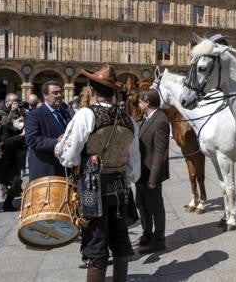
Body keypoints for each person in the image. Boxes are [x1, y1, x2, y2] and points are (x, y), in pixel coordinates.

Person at [55, 64, 140, 282]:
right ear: (113, 93)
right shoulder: (129, 120)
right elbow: (134, 163)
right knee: (120, 239)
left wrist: (66, 153)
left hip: (91, 188)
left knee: (95, 242)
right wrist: (125, 178)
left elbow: (69, 155)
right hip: (120, 187)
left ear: (91, 90)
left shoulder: (85, 115)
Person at [135, 89, 170, 253]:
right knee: (142, 205)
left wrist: (153, 178)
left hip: (151, 174)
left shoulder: (160, 120)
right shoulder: (148, 118)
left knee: (155, 207)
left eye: (140, 101)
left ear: (147, 103)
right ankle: (147, 234)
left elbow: (160, 152)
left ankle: (159, 239)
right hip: (142, 172)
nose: (138, 104)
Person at [25, 80, 70, 181]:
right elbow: (32, 140)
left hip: (64, 169)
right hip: (46, 171)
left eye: (60, 92)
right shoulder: (35, 115)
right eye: (55, 93)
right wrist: (57, 142)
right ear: (45, 95)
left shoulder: (65, 113)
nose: (59, 95)